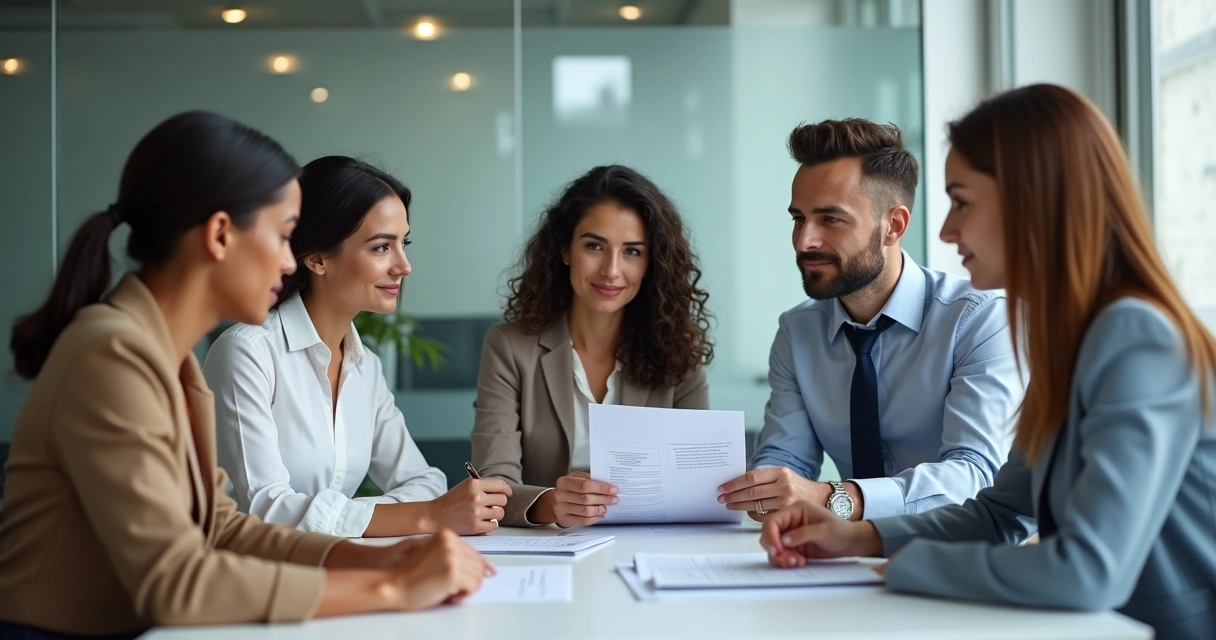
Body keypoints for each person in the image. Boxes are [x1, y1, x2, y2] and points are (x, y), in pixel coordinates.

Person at [0, 112, 491, 639]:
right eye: (282, 237)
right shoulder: (112, 354)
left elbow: (223, 526)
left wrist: (382, 560)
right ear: (219, 236)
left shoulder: (168, 356)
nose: (288, 263)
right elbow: (175, 581)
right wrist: (391, 588)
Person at [759, 84, 1216, 640]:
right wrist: (858, 539)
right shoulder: (1064, 337)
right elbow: (1001, 514)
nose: (947, 230)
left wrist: (903, 570)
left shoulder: (1134, 335)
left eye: (962, 201)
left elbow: (1088, 572)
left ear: (1034, 201)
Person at [717, 118, 1022, 522]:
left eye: (831, 219)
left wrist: (835, 498)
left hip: (956, 557)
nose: (804, 240)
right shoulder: (798, 333)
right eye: (798, 218)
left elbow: (975, 475)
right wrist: (764, 490)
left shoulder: (979, 320)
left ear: (893, 226)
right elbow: (785, 459)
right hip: (844, 556)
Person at [204, 156, 510, 538]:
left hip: (334, 564)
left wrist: (392, 513)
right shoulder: (247, 353)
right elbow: (267, 509)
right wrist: (426, 516)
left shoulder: (366, 367)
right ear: (317, 259)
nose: (404, 265)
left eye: (404, 243)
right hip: (248, 578)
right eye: (382, 247)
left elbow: (425, 482)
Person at [471, 165, 713, 528]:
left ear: (652, 263)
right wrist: (550, 503)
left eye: (632, 251)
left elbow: (698, 479)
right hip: (546, 547)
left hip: (652, 543)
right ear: (566, 249)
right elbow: (493, 483)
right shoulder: (509, 347)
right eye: (595, 246)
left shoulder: (679, 353)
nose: (612, 270)